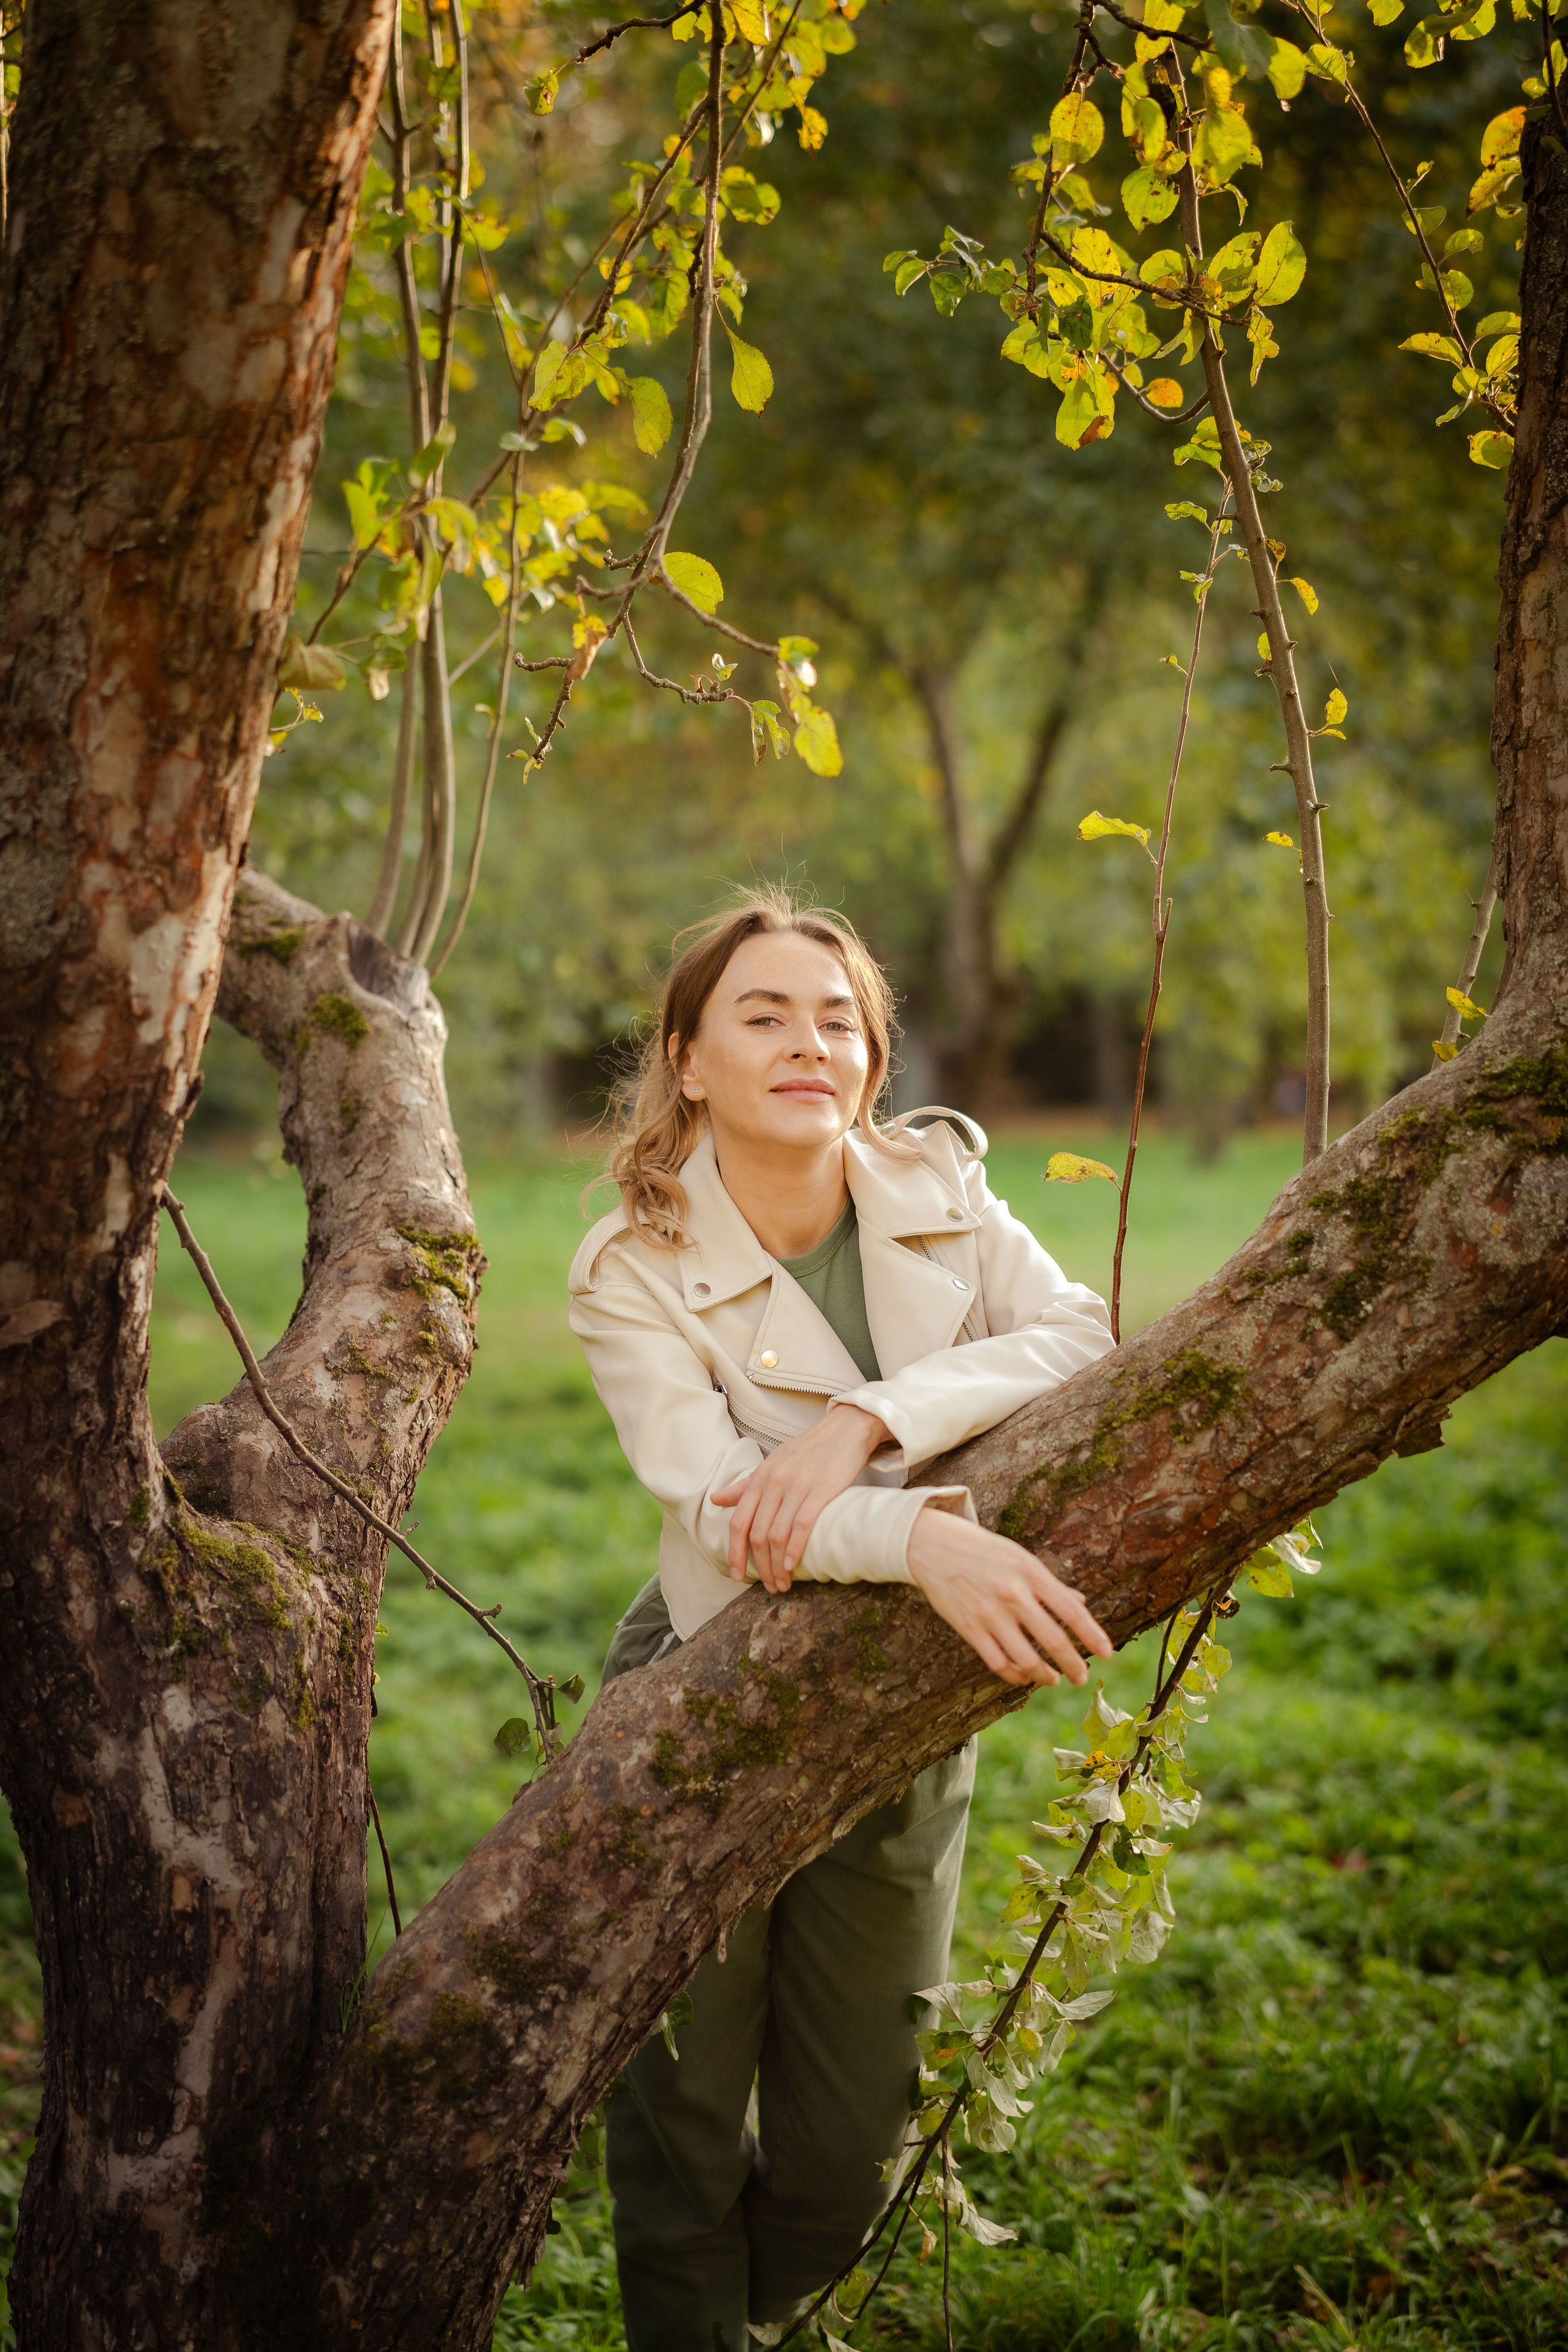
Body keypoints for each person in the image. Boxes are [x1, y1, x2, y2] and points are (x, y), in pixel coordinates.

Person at [567, 888, 1117, 2351]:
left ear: (872, 1059)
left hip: (901, 1691)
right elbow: (727, 1513)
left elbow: (1078, 1335)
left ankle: (761, 2319)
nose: (809, 1042)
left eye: (838, 1019)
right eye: (762, 1015)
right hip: (704, 1684)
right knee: (683, 2107)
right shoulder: (631, 1270)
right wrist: (930, 1540)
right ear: (687, 1059)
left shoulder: (939, 1188)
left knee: (850, 2143)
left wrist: (863, 1424)